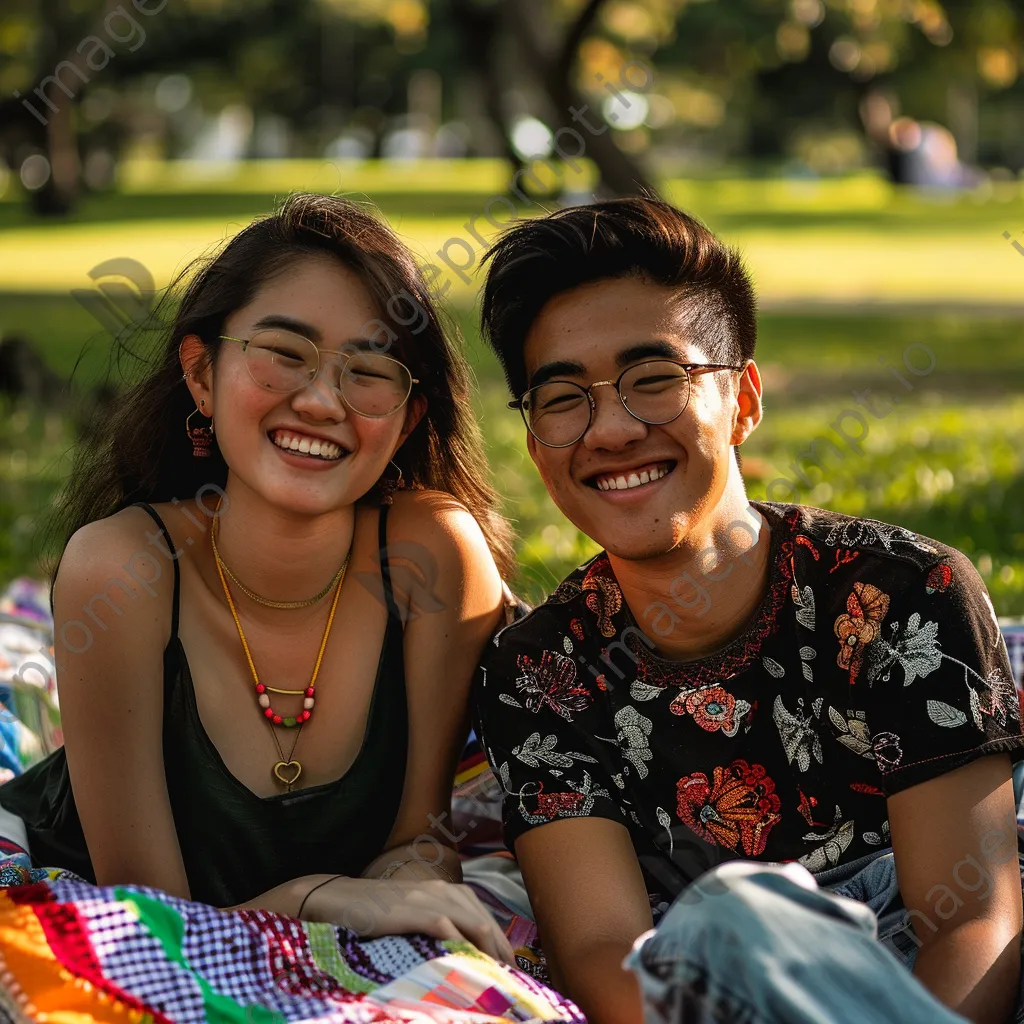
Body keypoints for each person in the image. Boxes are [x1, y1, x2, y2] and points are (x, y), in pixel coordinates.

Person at [473, 196, 1024, 1022]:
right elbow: (600, 953)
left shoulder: (903, 595)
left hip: (931, 966)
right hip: (722, 988)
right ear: (534, 443)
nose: (612, 430)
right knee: (731, 918)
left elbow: (976, 918)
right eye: (562, 398)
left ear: (744, 399)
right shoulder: (540, 672)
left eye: (653, 380)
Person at [0, 193, 518, 964]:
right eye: (284, 353)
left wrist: (378, 890)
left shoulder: (431, 555)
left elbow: (419, 846)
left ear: (406, 420)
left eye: (370, 371)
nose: (319, 401)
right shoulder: (125, 571)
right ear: (201, 375)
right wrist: (315, 895)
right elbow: (150, 923)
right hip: (99, 914)